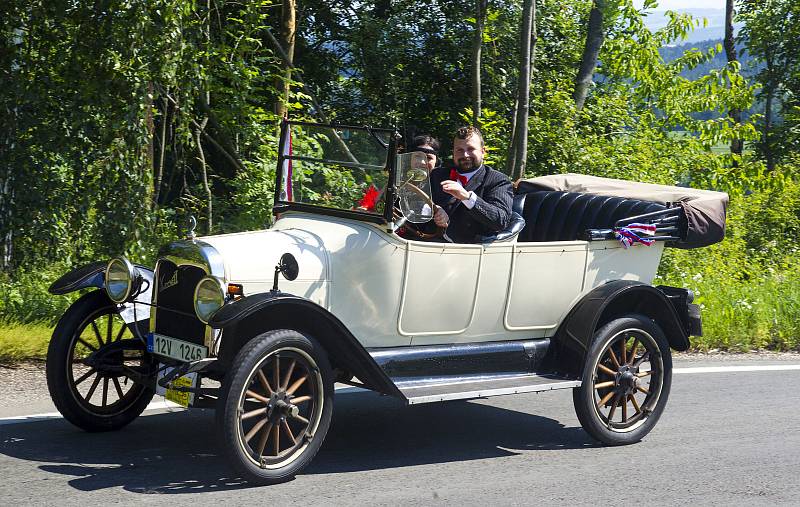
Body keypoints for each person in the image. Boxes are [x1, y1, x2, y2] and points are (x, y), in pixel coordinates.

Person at [430, 126, 513, 243]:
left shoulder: (498, 180)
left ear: (483, 152)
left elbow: (500, 220)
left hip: (471, 250)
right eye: (459, 150)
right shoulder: (437, 175)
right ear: (453, 152)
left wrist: (467, 197)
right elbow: (417, 205)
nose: (465, 155)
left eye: (471, 149)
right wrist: (435, 209)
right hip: (428, 243)